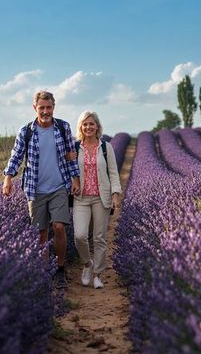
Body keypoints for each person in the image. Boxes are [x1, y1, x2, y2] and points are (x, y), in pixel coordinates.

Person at [2, 90, 80, 288]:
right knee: (41, 233)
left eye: (49, 107)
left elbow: (71, 155)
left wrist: (75, 179)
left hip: (59, 186)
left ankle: (60, 269)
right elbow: (16, 156)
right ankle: (45, 270)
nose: (45, 111)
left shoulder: (63, 127)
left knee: (59, 227)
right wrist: (8, 178)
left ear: (54, 107)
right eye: (42, 108)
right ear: (35, 108)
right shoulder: (26, 131)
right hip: (35, 189)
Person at [72, 111, 122, 289]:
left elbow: (114, 173)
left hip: (102, 198)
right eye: (85, 124)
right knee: (79, 236)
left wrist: (116, 194)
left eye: (91, 124)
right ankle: (87, 264)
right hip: (81, 198)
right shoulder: (75, 147)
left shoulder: (105, 148)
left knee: (100, 238)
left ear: (97, 126)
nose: (88, 127)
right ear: (80, 127)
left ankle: (98, 275)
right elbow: (69, 171)